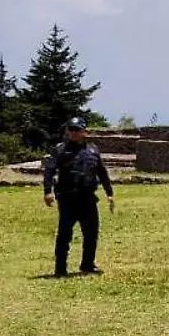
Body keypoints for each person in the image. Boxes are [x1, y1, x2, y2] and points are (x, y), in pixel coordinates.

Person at [43, 117, 115, 277]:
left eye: (77, 130)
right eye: (71, 129)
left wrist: (109, 193)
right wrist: (48, 191)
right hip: (68, 199)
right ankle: (60, 269)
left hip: (88, 198)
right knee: (64, 235)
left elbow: (102, 172)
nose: (74, 133)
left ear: (84, 132)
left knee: (91, 233)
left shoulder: (93, 150)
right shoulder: (60, 150)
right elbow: (49, 170)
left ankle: (87, 264)